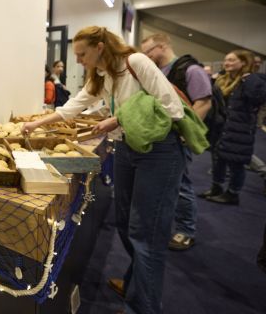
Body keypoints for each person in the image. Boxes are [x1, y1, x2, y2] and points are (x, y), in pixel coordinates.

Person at [22, 26, 185, 314]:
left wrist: (117, 119)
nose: (78, 60)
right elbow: (73, 107)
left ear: (100, 46)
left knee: (146, 234)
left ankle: (142, 306)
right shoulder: (101, 74)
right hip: (126, 149)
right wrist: (35, 124)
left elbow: (173, 108)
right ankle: (137, 286)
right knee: (126, 225)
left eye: (82, 54)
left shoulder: (136, 62)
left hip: (158, 151)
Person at [141, 34, 212, 251]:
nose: (147, 56)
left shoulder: (191, 70)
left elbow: (203, 103)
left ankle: (186, 230)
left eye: (149, 51)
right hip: (160, 139)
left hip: (177, 140)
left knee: (181, 186)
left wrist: (184, 133)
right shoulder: (158, 71)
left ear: (162, 46)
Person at [199, 50, 266, 204]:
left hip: (239, 128)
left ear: (243, 63)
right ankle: (216, 188)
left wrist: (249, 80)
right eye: (226, 60)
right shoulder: (223, 79)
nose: (226, 63)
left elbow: (258, 98)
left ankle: (232, 194)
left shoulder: (251, 79)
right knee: (218, 160)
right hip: (221, 127)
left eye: (231, 60)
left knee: (236, 162)